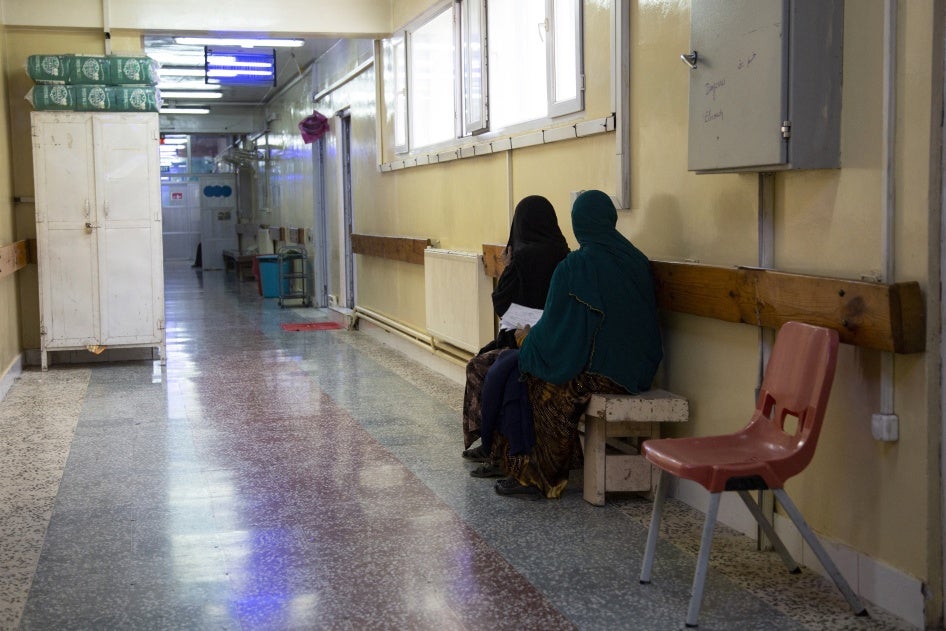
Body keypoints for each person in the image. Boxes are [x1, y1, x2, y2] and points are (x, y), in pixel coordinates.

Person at [479, 189, 664, 498]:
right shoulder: (635, 260)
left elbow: (558, 334)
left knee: (535, 380)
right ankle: (533, 464)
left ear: (578, 223)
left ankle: (540, 476)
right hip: (640, 370)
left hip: (604, 372)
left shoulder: (576, 266)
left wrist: (526, 339)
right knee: (525, 368)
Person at [460, 195, 569, 472]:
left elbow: (502, 304)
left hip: (524, 343)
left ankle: (491, 443)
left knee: (480, 365)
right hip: (557, 343)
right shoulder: (565, 255)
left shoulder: (521, 258)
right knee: (491, 360)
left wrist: (507, 268)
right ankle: (492, 444)